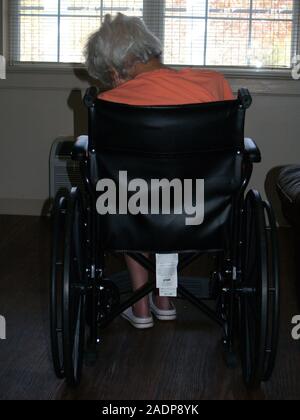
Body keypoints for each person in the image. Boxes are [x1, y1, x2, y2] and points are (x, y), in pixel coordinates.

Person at [85, 13, 234, 329]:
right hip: (199, 207)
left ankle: (140, 308)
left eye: (108, 75)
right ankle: (164, 299)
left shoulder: (108, 103)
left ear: (116, 70)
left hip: (130, 208)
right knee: (173, 191)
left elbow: (103, 164)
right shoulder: (212, 84)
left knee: (124, 191)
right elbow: (231, 151)